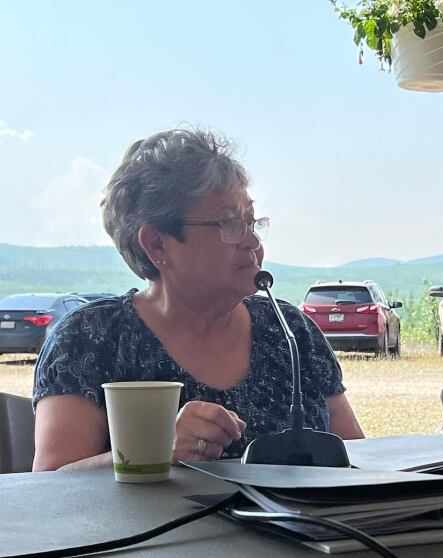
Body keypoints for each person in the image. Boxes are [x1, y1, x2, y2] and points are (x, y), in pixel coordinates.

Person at [32, 129, 364, 471]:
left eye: (251, 221)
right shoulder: (90, 337)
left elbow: (357, 459)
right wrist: (153, 451)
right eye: (229, 223)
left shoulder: (292, 331)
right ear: (158, 244)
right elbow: (50, 483)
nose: (252, 242)